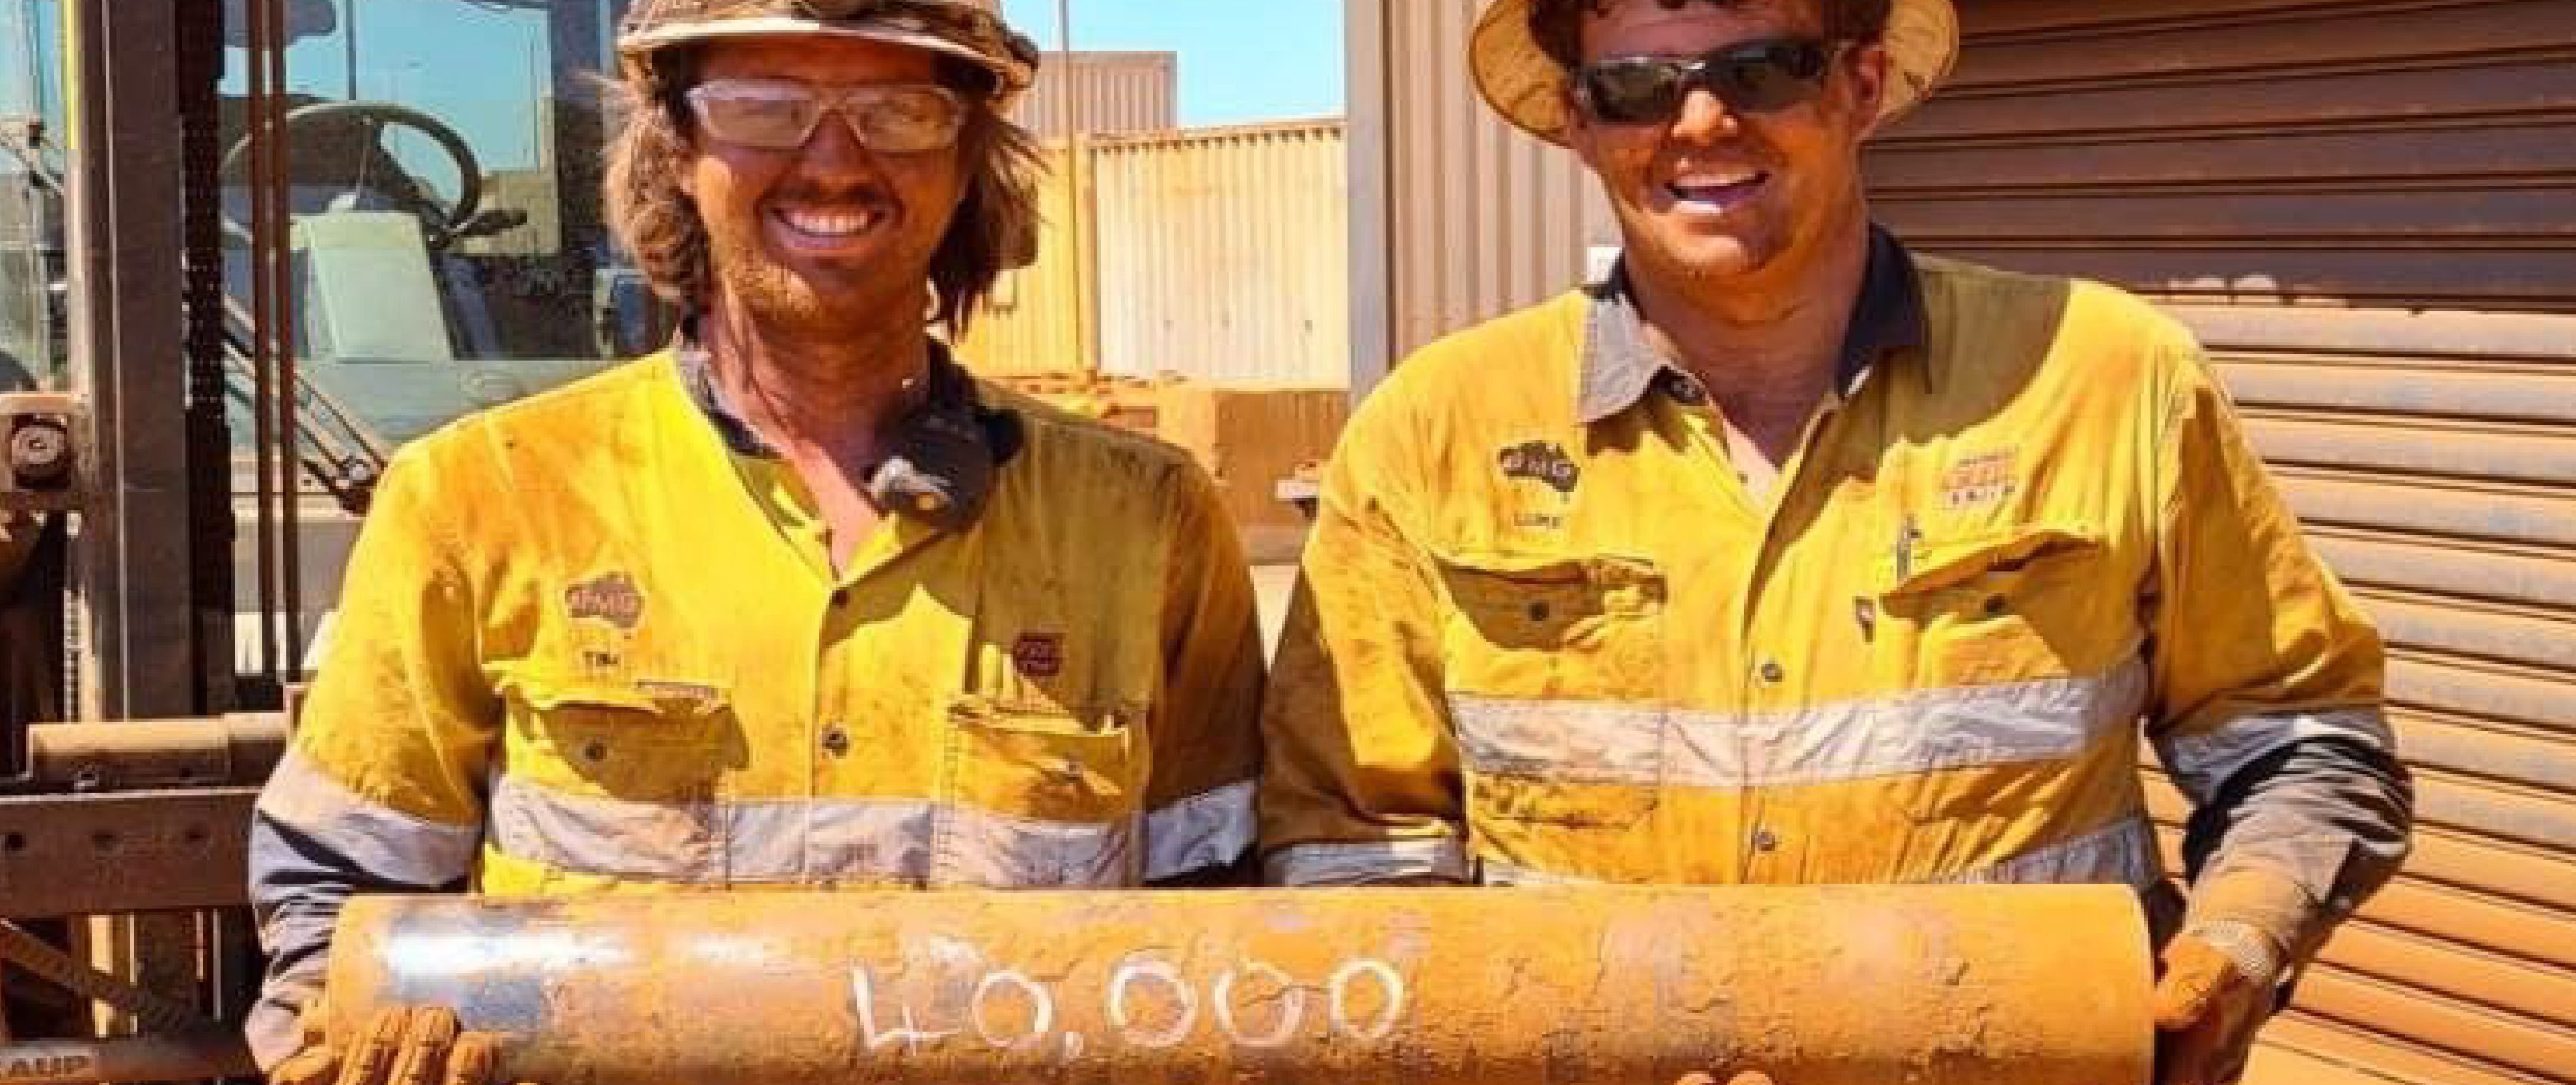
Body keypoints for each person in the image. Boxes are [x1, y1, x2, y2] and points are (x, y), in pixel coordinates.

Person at [1257, 1, 2410, 1082]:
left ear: (1860, 83)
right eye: (1637, 85)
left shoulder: (2105, 380)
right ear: (1578, 121)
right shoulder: (1436, 430)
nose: (1699, 122)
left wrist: (2241, 939)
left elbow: (2299, 738)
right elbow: (1358, 841)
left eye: (1760, 69)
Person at [250, 1, 1265, 1080]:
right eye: (763, 107)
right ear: (677, 151)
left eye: (899, 111)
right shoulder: (481, 499)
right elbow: (337, 909)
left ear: (967, 163)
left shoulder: (1146, 523)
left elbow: (1225, 946)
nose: (833, 161)